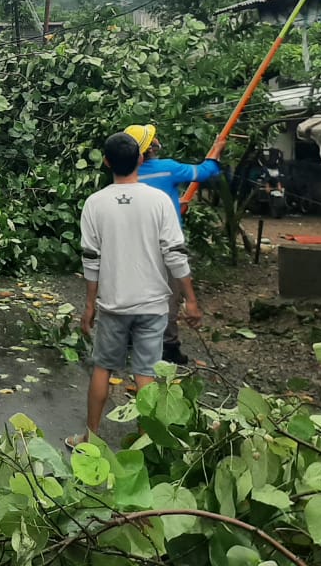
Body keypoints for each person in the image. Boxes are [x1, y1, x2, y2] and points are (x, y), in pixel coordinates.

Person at [71, 132, 202, 447]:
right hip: (153, 304)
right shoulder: (159, 201)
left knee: (102, 367)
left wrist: (90, 305)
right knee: (145, 374)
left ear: (106, 162)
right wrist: (191, 300)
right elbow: (175, 253)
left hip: (114, 304)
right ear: (141, 160)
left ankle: (90, 439)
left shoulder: (95, 204)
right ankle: (148, 444)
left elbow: (92, 260)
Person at [124, 123, 220, 365]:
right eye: (153, 139)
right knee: (168, 294)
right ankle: (167, 346)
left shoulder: (125, 175)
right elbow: (205, 172)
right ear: (151, 147)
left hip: (135, 243)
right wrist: (216, 150)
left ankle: (132, 337)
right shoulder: (168, 169)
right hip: (165, 243)